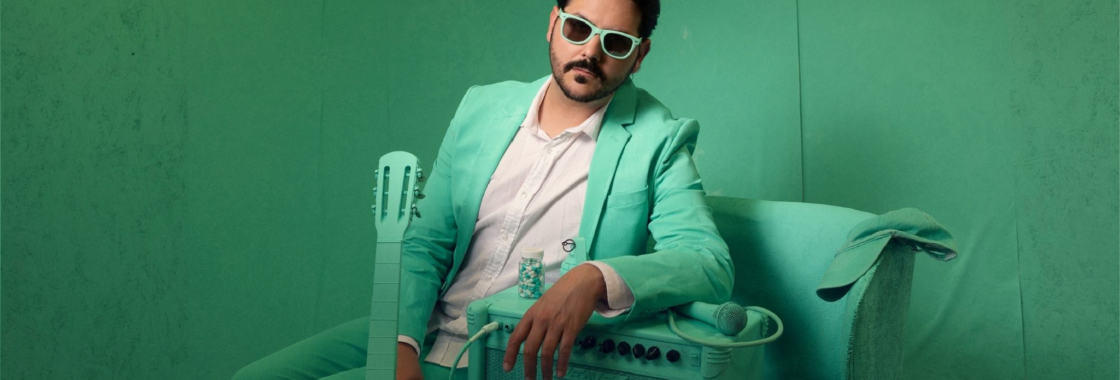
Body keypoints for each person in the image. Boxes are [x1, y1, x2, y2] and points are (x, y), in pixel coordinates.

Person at [233, 0, 731, 379]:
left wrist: (592, 279)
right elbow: (427, 242)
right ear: (553, 23)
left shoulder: (659, 139)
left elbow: (708, 262)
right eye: (579, 28)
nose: (590, 52)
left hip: (510, 351)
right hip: (422, 327)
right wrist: (402, 343)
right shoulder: (481, 108)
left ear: (639, 55)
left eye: (615, 41)